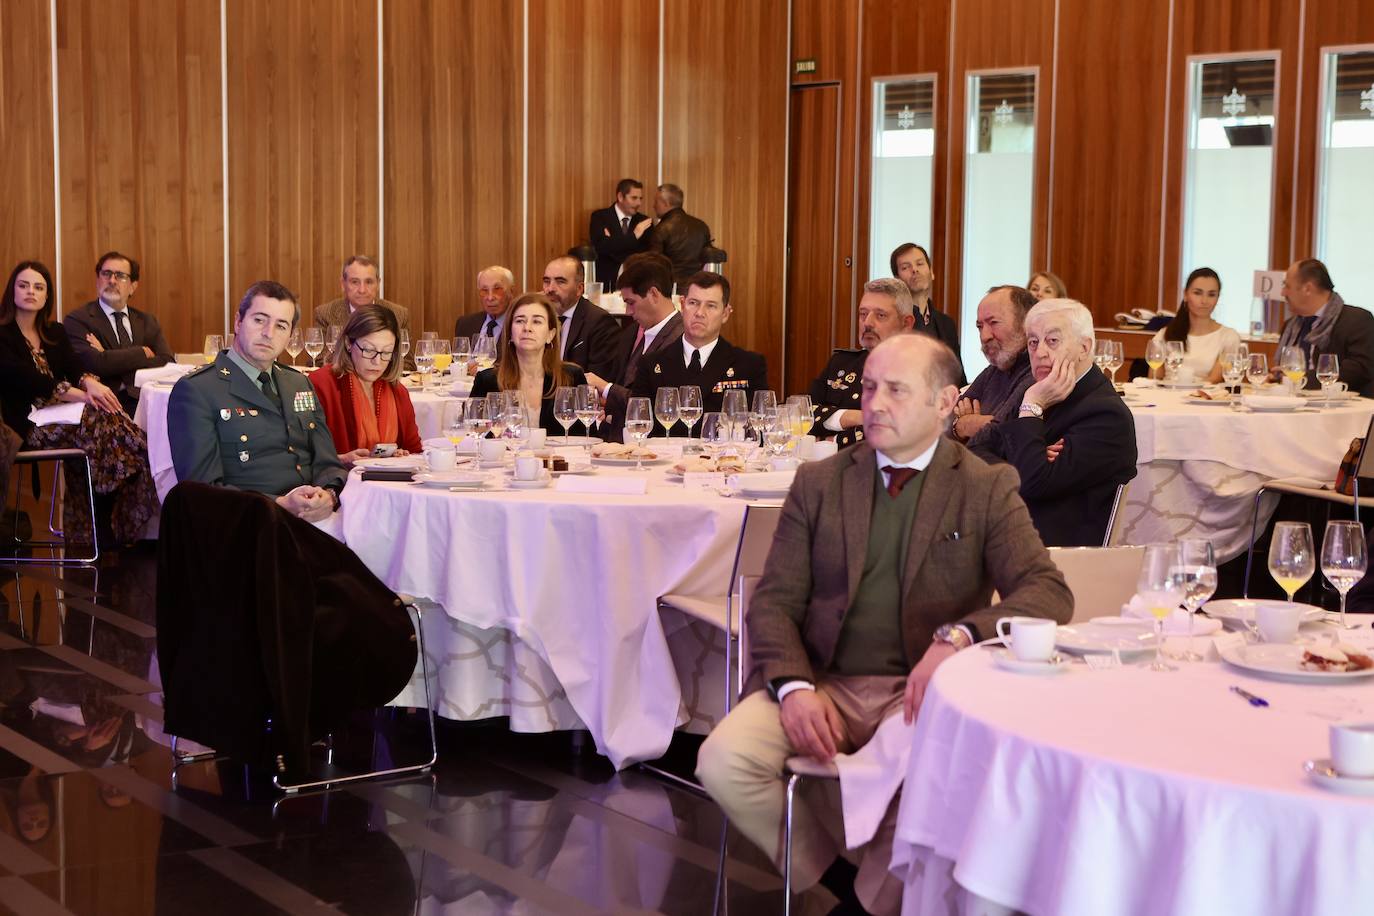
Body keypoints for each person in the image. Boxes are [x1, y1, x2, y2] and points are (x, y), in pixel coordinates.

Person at [696, 333, 1072, 916]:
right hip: (824, 680)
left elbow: (1047, 591)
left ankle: (874, 899)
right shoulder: (821, 482)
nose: (874, 404)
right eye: (870, 388)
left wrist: (958, 637)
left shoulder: (983, 485)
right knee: (723, 760)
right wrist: (794, 688)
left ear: (946, 403)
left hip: (921, 694)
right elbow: (773, 602)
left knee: (929, 779)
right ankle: (847, 889)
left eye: (896, 390)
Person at [0, 261, 158, 547]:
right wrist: (78, 394)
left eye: (39, 287)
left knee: (101, 414)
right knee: (98, 417)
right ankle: (127, 474)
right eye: (23, 286)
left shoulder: (54, 332)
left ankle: (92, 526)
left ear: (47, 296)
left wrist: (90, 383)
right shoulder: (3, 335)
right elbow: (24, 379)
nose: (31, 292)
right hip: (27, 424)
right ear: (12, 291)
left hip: (66, 418)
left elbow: (74, 368)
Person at [168, 280, 346, 523]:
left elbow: (327, 461)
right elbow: (201, 493)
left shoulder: (298, 384)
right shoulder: (197, 390)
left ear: (291, 336)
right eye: (259, 320)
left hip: (315, 519)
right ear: (238, 322)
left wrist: (330, 494)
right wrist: (279, 504)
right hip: (247, 525)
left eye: (281, 326)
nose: (268, 333)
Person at [987, 298, 1137, 547]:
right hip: (1014, 537)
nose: (1040, 352)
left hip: (1056, 555)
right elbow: (979, 452)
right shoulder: (1043, 391)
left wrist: (1032, 409)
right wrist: (1028, 455)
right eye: (1033, 342)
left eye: (1052, 341)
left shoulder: (1106, 415)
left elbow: (1033, 483)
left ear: (1084, 348)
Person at [629, 271, 767, 433]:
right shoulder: (651, 364)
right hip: (668, 456)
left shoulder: (749, 365)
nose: (700, 313)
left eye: (711, 305)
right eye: (693, 303)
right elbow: (638, 427)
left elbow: (760, 430)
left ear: (725, 313)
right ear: (682, 305)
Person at [585, 253, 684, 441]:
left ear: (654, 294)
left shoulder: (680, 338)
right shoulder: (636, 333)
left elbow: (659, 404)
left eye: (631, 303)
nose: (628, 312)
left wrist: (605, 388)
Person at [807, 278, 915, 449]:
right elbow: (802, 414)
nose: (867, 323)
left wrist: (827, 443)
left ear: (906, 324)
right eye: (863, 314)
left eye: (880, 315)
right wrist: (852, 417)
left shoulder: (918, 373)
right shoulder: (841, 363)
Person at [309, 305, 422, 467]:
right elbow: (302, 455)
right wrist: (341, 459)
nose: (377, 361)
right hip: (340, 486)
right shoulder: (321, 384)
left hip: (389, 488)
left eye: (386, 352)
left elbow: (415, 451)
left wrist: (403, 457)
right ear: (348, 343)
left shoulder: (398, 392)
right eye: (368, 350)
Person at [62, 251, 174, 414]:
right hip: (104, 406)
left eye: (120, 275)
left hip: (148, 402)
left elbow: (166, 362)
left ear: (133, 286)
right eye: (106, 274)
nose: (112, 280)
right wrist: (141, 352)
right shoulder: (78, 319)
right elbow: (95, 364)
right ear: (98, 280)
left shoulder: (147, 321)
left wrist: (108, 355)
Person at [469, 293, 590, 436]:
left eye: (537, 322)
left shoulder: (571, 377)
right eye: (520, 321)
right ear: (510, 333)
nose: (527, 328)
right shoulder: (487, 381)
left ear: (550, 334)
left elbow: (588, 437)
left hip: (559, 457)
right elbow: (473, 437)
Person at [951, 285, 1036, 459]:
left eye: (993, 323)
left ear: (1025, 324)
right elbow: (943, 420)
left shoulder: (1037, 370)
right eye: (980, 326)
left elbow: (1001, 432)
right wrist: (962, 426)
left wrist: (966, 424)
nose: (984, 336)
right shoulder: (995, 369)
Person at [1277, 258, 1374, 396]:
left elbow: (1359, 370)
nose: (1282, 293)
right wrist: (1278, 377)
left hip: (1341, 408)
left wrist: (1301, 379)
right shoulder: (1290, 326)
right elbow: (1284, 370)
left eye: (1287, 286)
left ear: (1307, 288)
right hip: (1290, 403)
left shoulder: (1357, 320)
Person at [1149, 268, 1241, 384]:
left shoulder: (1229, 337)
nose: (1204, 301)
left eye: (1211, 295)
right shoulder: (1164, 334)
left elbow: (1213, 380)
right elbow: (1153, 379)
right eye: (1197, 293)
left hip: (1204, 398)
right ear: (1186, 295)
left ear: (1218, 298)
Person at [890, 242, 964, 384]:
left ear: (931, 272)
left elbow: (958, 377)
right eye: (906, 267)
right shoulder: (893, 320)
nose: (914, 270)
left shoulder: (946, 323)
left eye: (920, 264)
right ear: (897, 280)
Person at [541, 255, 621, 379]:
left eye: (560, 281)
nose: (550, 289)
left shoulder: (599, 322)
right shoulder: (538, 318)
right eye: (546, 281)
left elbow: (598, 379)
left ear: (579, 289)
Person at [647, 183, 714, 290]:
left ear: (666, 203)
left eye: (656, 202)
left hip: (670, 290)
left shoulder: (661, 229)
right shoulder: (701, 226)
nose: (653, 206)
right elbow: (708, 257)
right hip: (697, 287)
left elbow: (654, 266)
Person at [589, 178, 651, 287]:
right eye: (634, 198)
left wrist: (613, 242)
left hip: (635, 282)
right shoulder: (600, 217)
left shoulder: (644, 222)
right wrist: (634, 236)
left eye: (640, 198)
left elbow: (645, 255)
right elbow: (601, 247)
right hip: (607, 282)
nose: (639, 203)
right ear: (620, 197)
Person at [454, 266, 515, 340]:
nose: (490, 298)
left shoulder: (519, 326)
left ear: (511, 291)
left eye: (497, 289)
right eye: (484, 290)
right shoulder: (465, 324)